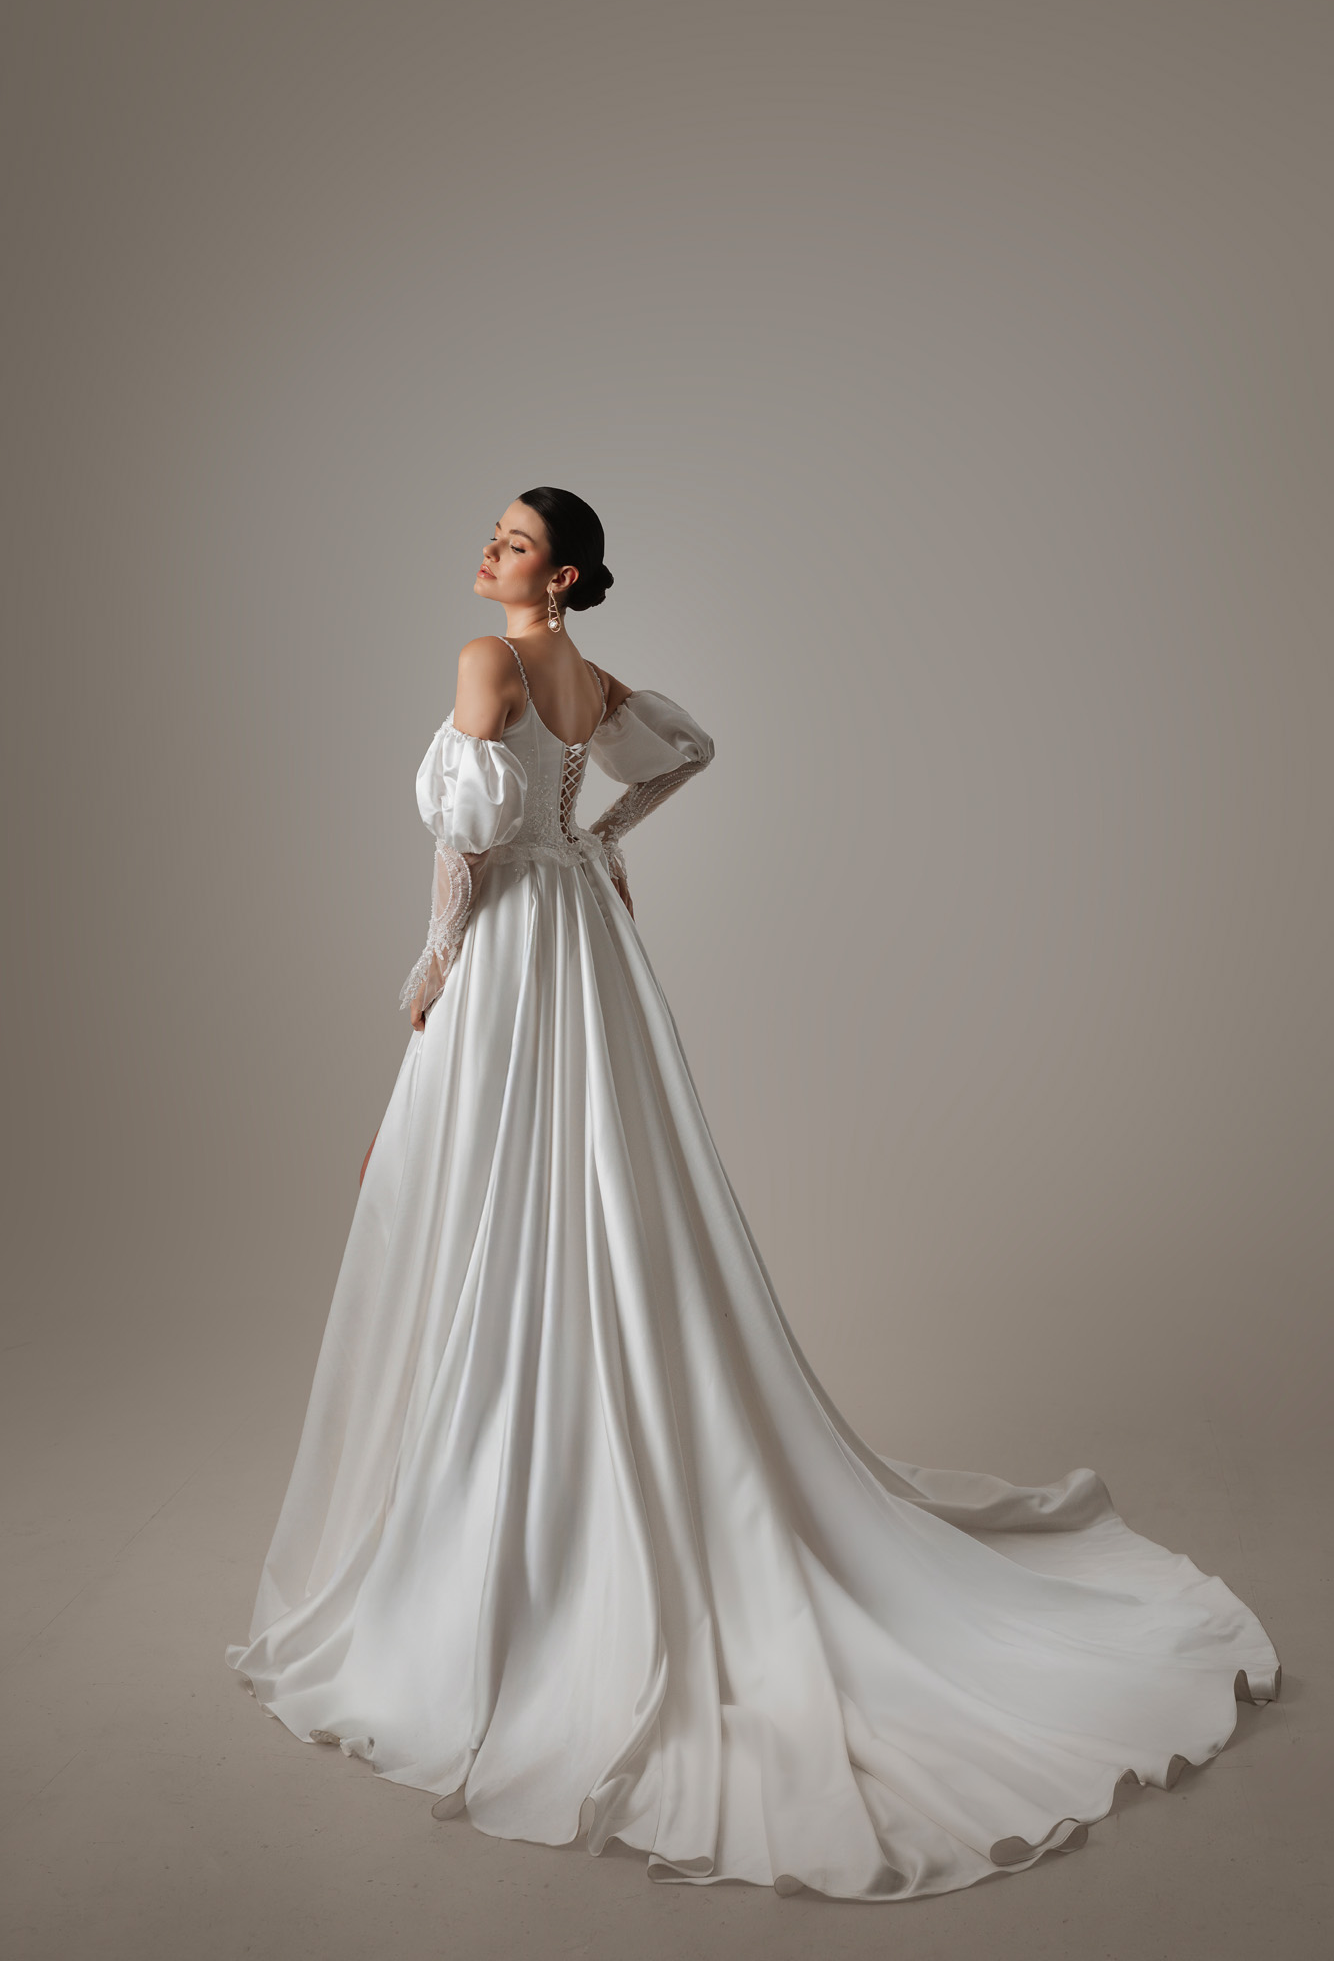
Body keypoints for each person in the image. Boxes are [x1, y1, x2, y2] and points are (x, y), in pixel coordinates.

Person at [227, 486, 1279, 1901]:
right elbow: (683, 751)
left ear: (563, 574)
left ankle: (508, 1499)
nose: (490, 552)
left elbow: (463, 848)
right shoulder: (587, 678)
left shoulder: (485, 661)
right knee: (601, 1183)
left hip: (515, 945)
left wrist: (428, 975)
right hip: (585, 942)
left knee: (480, 1183)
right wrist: (600, 841)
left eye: (516, 543)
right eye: (496, 535)